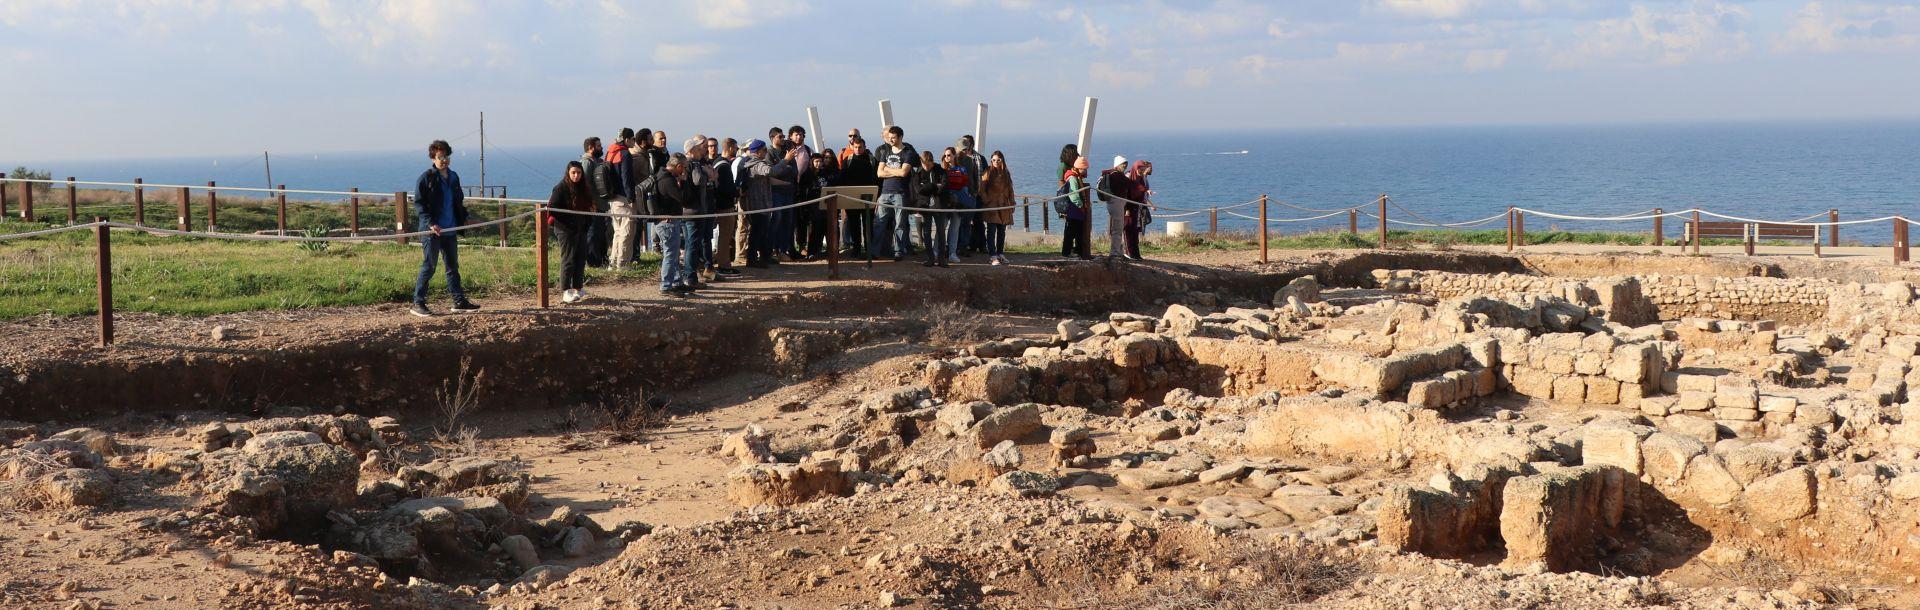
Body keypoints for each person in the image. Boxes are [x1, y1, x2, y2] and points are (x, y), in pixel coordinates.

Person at [409, 140, 479, 316]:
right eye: (440, 157)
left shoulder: (454, 177)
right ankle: (418, 302)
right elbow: (419, 204)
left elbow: (458, 202)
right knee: (429, 266)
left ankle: (458, 301)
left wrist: (464, 217)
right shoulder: (426, 178)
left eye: (446, 156)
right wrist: (431, 223)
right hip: (431, 231)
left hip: (449, 229)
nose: (444, 160)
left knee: (452, 266)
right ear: (433, 158)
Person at [548, 161, 596, 303]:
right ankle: (565, 290)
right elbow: (553, 209)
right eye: (573, 173)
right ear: (568, 173)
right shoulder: (560, 188)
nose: (576, 175)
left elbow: (589, 208)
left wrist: (587, 224)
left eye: (579, 172)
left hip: (580, 228)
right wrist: (569, 223)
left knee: (580, 258)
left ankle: (578, 288)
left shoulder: (584, 188)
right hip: (565, 229)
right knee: (568, 259)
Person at [650, 154, 697, 296]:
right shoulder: (667, 180)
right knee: (671, 254)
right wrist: (683, 182)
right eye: (683, 168)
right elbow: (683, 198)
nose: (683, 171)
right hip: (667, 223)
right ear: (678, 166)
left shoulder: (662, 176)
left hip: (667, 222)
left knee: (674, 253)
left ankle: (676, 282)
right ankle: (666, 286)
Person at [872, 125, 917, 261]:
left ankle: (899, 251)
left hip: (900, 193)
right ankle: (875, 251)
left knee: (900, 224)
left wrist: (888, 169)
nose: (890, 140)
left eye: (893, 137)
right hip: (885, 192)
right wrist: (894, 171)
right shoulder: (885, 152)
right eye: (889, 137)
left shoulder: (908, 153)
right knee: (879, 222)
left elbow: (904, 172)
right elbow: (879, 173)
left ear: (900, 137)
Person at [737, 139, 778, 268]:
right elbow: (770, 172)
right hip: (757, 203)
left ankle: (764, 256)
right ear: (759, 151)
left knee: (761, 230)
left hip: (757, 202)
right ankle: (752, 259)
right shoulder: (755, 164)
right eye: (765, 150)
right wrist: (785, 160)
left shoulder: (746, 163)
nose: (766, 152)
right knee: (757, 232)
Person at [683, 135, 717, 287]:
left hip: (686, 210)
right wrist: (707, 173)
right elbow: (699, 181)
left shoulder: (684, 164)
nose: (701, 150)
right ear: (692, 151)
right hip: (695, 211)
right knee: (693, 244)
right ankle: (690, 277)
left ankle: (689, 275)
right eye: (698, 148)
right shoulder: (694, 164)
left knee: (691, 243)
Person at [606, 129, 642, 270]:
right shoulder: (625, 154)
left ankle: (613, 262)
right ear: (626, 140)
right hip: (623, 198)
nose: (634, 141)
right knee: (627, 232)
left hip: (612, 198)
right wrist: (631, 198)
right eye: (632, 139)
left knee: (618, 232)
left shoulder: (610, 152)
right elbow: (626, 178)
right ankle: (623, 263)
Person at [709, 137, 742, 278]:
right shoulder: (724, 166)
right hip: (725, 206)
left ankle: (724, 263)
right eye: (735, 148)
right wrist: (737, 192)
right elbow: (725, 187)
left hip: (720, 205)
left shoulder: (717, 163)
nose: (736, 151)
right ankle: (724, 265)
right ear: (729, 148)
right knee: (725, 236)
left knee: (724, 236)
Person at [837, 136, 876, 256]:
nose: (858, 149)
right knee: (854, 224)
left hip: (868, 196)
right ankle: (856, 249)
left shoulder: (871, 160)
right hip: (851, 196)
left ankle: (869, 249)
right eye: (856, 147)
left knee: (868, 225)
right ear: (852, 147)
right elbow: (842, 179)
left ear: (865, 147)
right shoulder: (847, 160)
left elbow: (877, 178)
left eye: (860, 147)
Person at [939, 147, 976, 264]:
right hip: (946, 203)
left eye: (949, 155)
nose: (947, 158)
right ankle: (938, 251)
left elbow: (965, 186)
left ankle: (952, 253)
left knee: (955, 228)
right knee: (941, 227)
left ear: (954, 155)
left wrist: (966, 200)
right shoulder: (941, 170)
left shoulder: (962, 169)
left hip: (958, 203)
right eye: (945, 155)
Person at [915, 150, 951, 268]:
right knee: (926, 232)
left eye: (929, 164)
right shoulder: (918, 172)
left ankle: (941, 259)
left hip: (939, 206)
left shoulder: (941, 171)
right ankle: (930, 258)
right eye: (924, 164)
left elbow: (944, 187)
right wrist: (934, 186)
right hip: (925, 206)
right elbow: (918, 190)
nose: (927, 167)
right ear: (921, 162)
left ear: (932, 162)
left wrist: (926, 187)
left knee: (941, 232)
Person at [580, 137, 612, 268]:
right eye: (599, 146)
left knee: (601, 233)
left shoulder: (597, 161)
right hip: (593, 205)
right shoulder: (587, 162)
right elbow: (584, 184)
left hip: (601, 205)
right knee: (593, 234)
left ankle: (602, 259)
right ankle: (593, 262)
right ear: (591, 147)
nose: (601, 148)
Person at [979, 151, 1015, 265]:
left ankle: (1000, 254)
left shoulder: (1006, 173)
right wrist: (986, 200)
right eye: (993, 160)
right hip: (992, 206)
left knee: (1002, 231)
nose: (996, 162)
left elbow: (1010, 189)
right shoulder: (988, 172)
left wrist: (1012, 202)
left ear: (1002, 160)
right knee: (991, 231)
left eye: (998, 160)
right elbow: (982, 188)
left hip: (1004, 205)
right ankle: (992, 256)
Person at [955, 136, 988, 256]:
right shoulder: (953, 159)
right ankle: (959, 246)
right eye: (962, 148)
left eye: (966, 147)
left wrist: (975, 193)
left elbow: (980, 177)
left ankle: (977, 245)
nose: (964, 151)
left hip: (972, 196)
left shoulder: (976, 159)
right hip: (959, 197)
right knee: (958, 223)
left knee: (975, 222)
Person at [1100, 155, 1132, 259]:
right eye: (1124, 164)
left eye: (1126, 164)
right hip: (1116, 202)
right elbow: (1128, 184)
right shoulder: (1117, 176)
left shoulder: (1111, 174)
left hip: (1114, 202)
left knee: (1119, 227)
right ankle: (1115, 252)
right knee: (1118, 228)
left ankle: (1119, 250)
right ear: (1118, 164)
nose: (1125, 166)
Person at [1061, 155, 1093, 260]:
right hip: (1074, 209)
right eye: (1084, 169)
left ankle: (1077, 251)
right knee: (1071, 232)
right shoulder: (1073, 178)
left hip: (1075, 210)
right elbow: (1074, 194)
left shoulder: (1075, 177)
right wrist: (1081, 205)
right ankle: (1067, 252)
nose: (1085, 171)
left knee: (1077, 231)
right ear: (1079, 168)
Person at [1123, 160, 1154, 260]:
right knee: (1129, 231)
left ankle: (1136, 254)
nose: (1141, 171)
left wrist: (1146, 192)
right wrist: (1127, 209)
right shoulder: (1128, 177)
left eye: (1142, 169)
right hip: (1129, 209)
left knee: (1135, 231)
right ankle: (1129, 253)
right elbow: (1126, 194)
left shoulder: (1140, 178)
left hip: (1138, 208)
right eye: (1140, 169)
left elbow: (1140, 188)